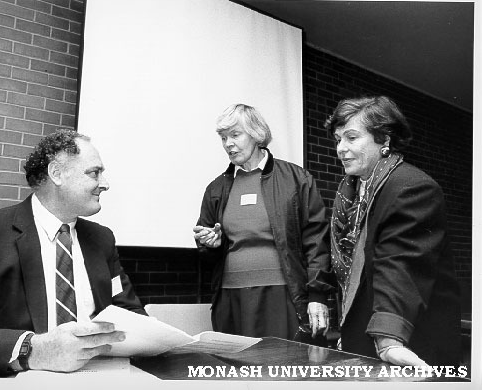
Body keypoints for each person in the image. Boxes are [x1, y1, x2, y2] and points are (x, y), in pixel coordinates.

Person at [0, 130, 146, 376]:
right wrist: (34, 350)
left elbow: (130, 312)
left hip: (102, 375)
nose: (105, 184)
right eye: (94, 172)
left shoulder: (102, 239)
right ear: (56, 174)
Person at [324, 96, 461, 366]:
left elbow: (399, 265)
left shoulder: (411, 187)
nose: (341, 148)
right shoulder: (351, 192)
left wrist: (388, 338)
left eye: (351, 138)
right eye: (338, 139)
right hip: (363, 333)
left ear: (384, 140)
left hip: (409, 342)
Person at [193, 103, 332, 344]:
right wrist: (210, 244)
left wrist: (317, 295)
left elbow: (317, 241)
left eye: (235, 135)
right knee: (238, 375)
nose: (228, 144)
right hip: (230, 299)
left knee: (283, 371)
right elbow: (208, 253)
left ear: (256, 134)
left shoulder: (296, 180)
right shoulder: (216, 189)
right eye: (223, 138)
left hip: (282, 297)